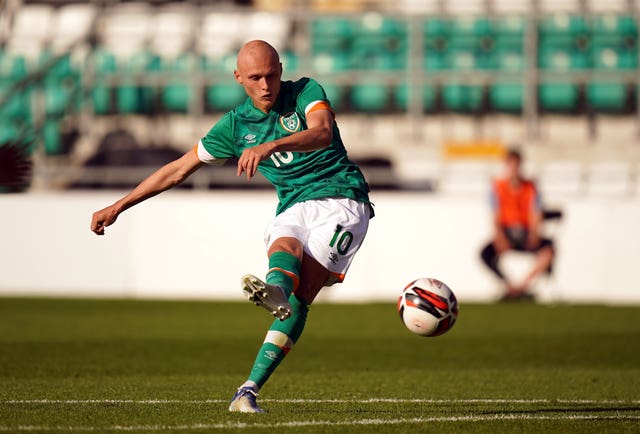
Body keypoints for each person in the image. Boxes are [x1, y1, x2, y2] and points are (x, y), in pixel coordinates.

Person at [90, 40, 372, 413]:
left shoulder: (306, 91)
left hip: (342, 200)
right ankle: (249, 386)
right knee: (283, 250)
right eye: (255, 78)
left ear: (281, 70)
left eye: (271, 75)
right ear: (238, 78)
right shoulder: (235, 127)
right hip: (293, 204)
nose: (265, 85)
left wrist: (269, 147)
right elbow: (178, 169)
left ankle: (257, 364)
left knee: (301, 295)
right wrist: (120, 205)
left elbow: (322, 131)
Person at [479, 149, 554, 301]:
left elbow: (535, 213)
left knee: (548, 251)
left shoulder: (530, 187)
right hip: (507, 232)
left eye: (517, 165)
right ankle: (509, 286)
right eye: (510, 165)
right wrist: (500, 237)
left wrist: (534, 234)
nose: (514, 169)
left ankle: (522, 287)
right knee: (485, 254)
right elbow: (496, 215)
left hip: (526, 232)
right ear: (506, 166)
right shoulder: (498, 186)